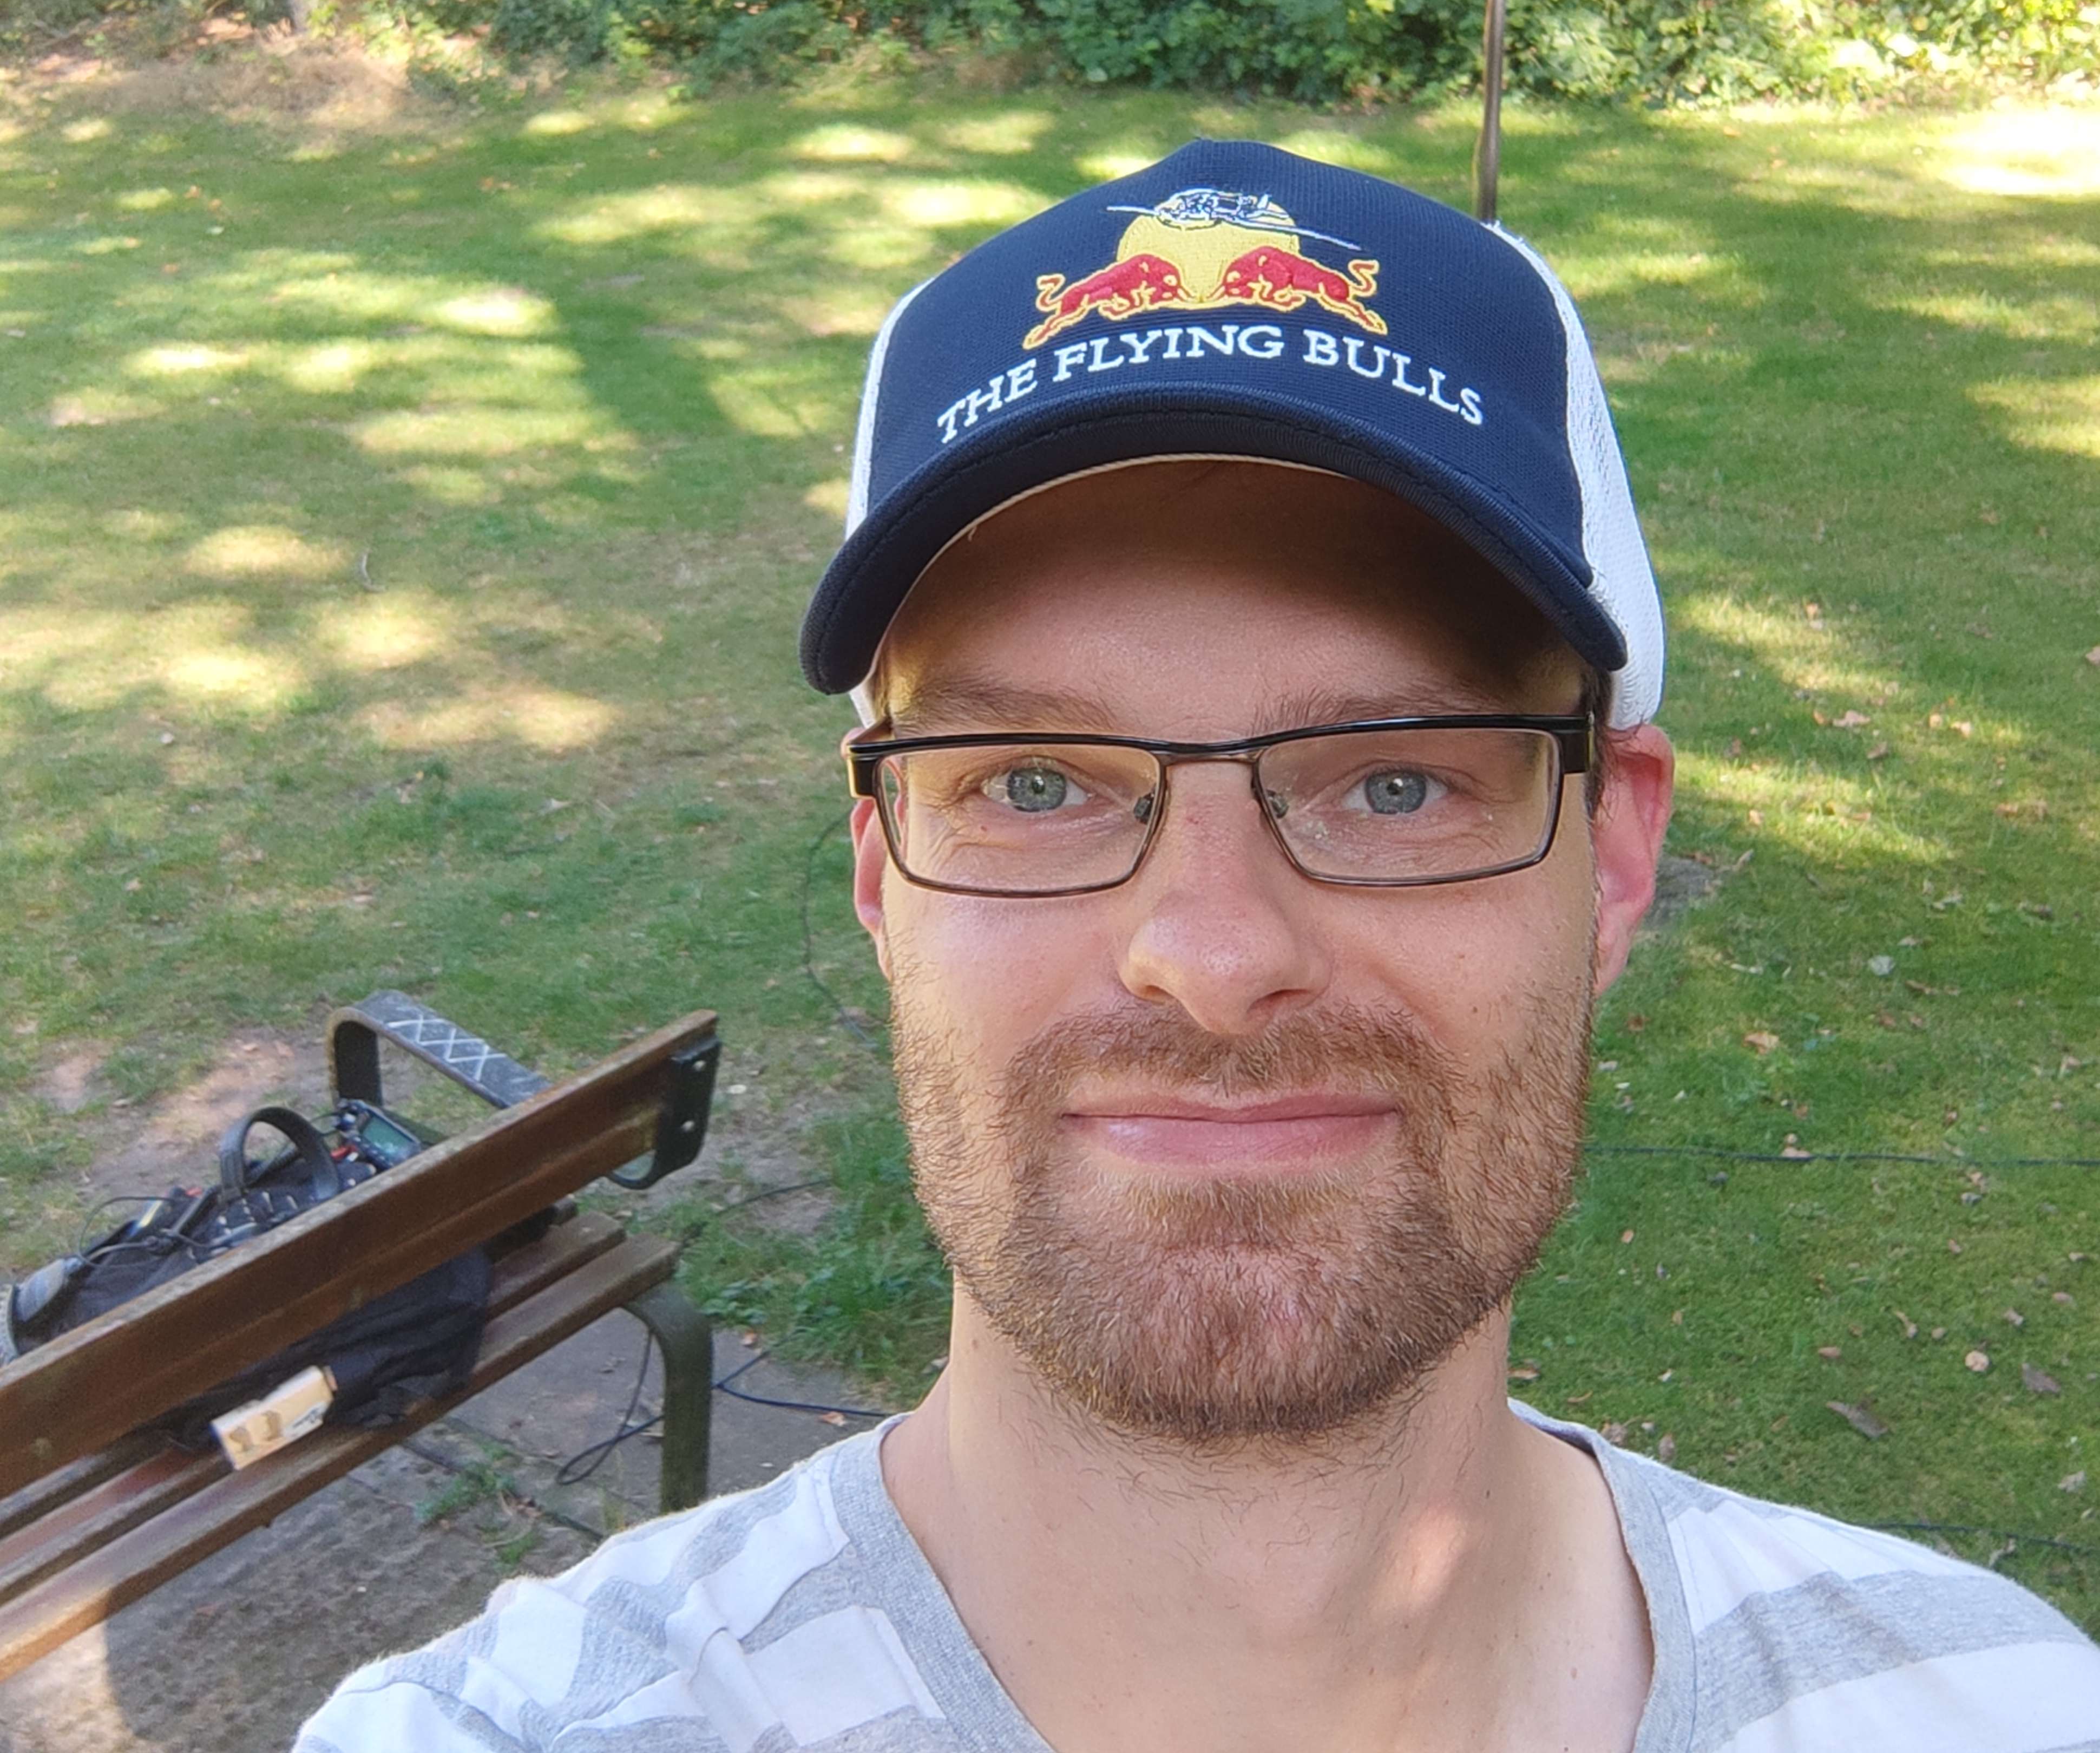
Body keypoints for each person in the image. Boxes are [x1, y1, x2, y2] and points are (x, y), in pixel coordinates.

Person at [296, 141, 2100, 1752]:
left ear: (1614, 857)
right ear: (884, 881)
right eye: (1032, 783)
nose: (1215, 957)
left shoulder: (2002, 1705)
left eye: (1397, 783)